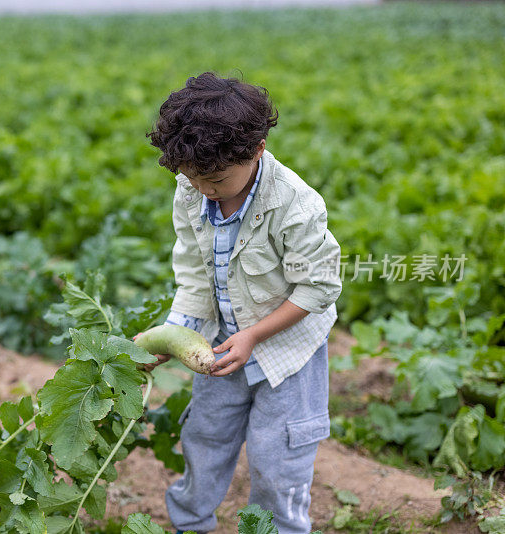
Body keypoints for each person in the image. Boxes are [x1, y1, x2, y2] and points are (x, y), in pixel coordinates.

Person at [139, 72, 342, 534]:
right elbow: (193, 270)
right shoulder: (192, 190)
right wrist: (170, 336)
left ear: (256, 150)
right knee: (203, 437)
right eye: (193, 179)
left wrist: (254, 334)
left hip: (289, 348)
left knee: (277, 457)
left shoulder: (295, 205)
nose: (205, 190)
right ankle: (191, 524)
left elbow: (319, 288)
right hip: (223, 342)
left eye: (214, 179)